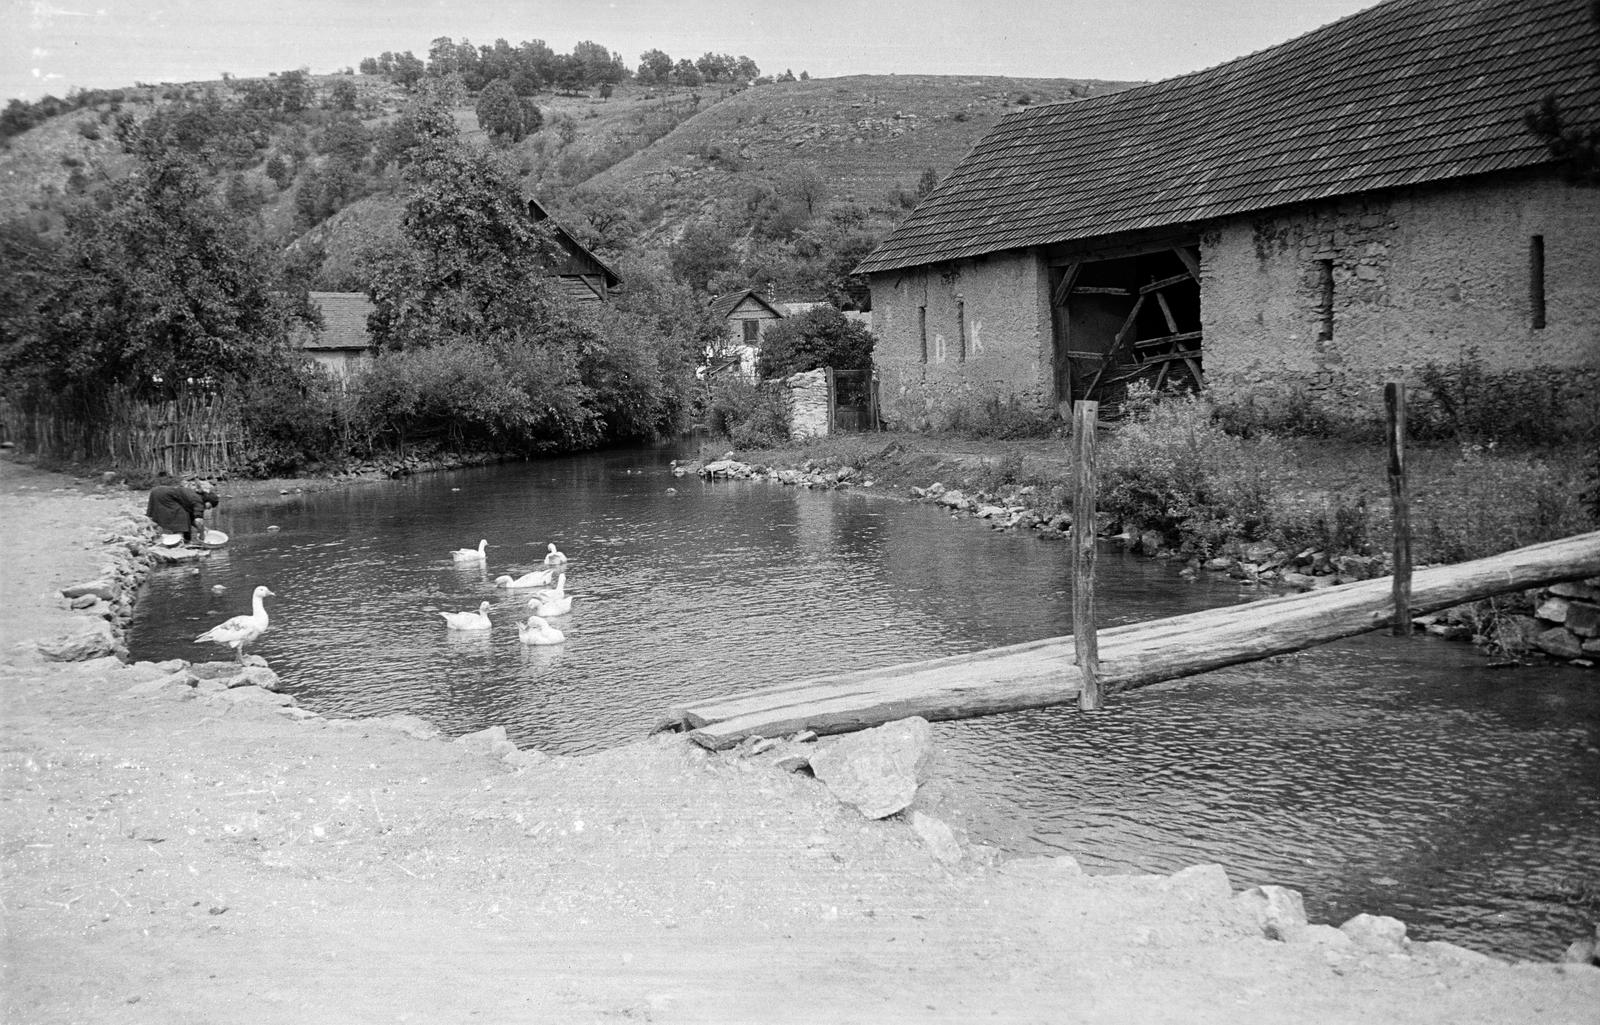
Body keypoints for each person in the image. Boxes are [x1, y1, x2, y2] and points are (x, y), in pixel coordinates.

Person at [146, 479, 220, 544]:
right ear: (208, 501)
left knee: (185, 515)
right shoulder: (199, 501)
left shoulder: (196, 497)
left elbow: (192, 518)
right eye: (209, 506)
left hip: (157, 491)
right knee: (181, 516)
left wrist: (202, 528)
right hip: (163, 495)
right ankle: (177, 540)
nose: (207, 509)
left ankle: (157, 536)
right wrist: (202, 534)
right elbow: (198, 521)